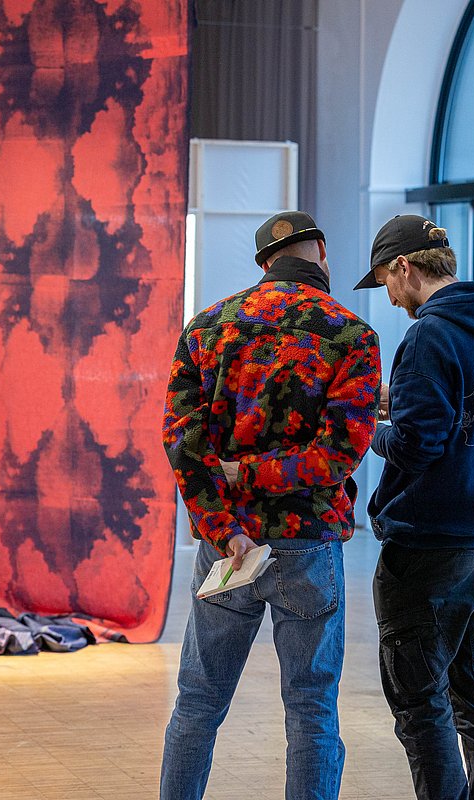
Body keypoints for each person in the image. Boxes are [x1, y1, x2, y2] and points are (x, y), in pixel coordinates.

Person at [160, 211, 381, 800]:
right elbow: (337, 456)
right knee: (311, 709)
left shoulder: (208, 328)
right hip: (307, 544)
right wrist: (262, 475)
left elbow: (182, 443)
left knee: (198, 702)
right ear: (322, 253)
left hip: (228, 549)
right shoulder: (352, 336)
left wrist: (223, 528)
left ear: (263, 263)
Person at [353, 215, 474, 800]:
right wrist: (403, 403)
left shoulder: (428, 335)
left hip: (429, 544)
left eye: (386, 281)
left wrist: (367, 429)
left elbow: (415, 445)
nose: (389, 296)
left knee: (420, 702)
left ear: (404, 266)